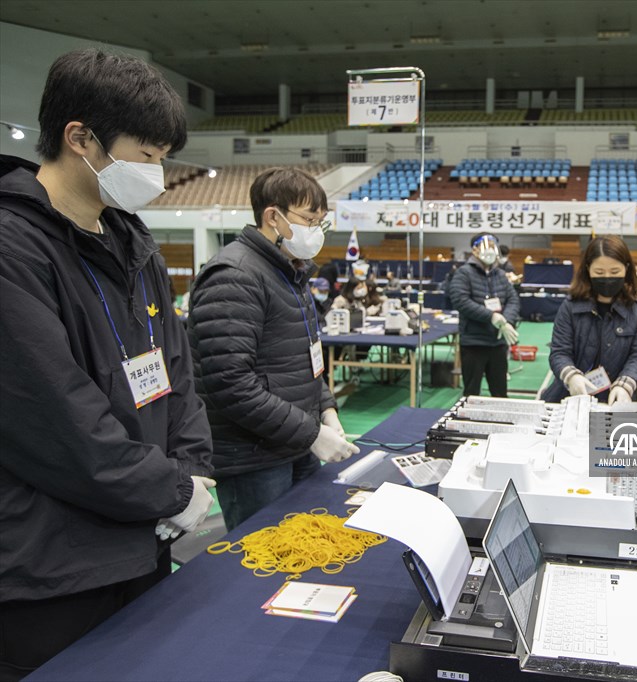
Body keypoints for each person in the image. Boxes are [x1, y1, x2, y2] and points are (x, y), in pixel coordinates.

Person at [0, 49, 215, 679]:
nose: (159, 171)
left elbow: (177, 377)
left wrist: (193, 475)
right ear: (80, 138)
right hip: (54, 572)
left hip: (145, 542)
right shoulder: (14, 249)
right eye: (146, 154)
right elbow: (60, 420)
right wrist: (172, 490)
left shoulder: (133, 243)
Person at [188, 167, 358, 531]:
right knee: (263, 565)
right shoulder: (235, 275)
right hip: (254, 457)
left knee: (307, 547)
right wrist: (311, 433)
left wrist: (326, 408)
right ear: (273, 216)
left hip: (294, 442)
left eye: (320, 222)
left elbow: (303, 358)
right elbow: (231, 384)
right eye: (309, 219)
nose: (316, 231)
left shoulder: (291, 272)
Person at [541, 236, 637, 405]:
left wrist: (624, 385)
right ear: (588, 269)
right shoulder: (570, 307)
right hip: (568, 397)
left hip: (614, 400)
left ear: (627, 268)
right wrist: (572, 377)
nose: (607, 278)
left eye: (615, 272)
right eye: (599, 273)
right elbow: (559, 352)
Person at [448, 233, 520, 397]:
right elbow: (461, 301)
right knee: (472, 393)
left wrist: (505, 321)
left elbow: (513, 299)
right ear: (474, 250)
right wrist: (491, 316)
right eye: (486, 247)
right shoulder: (464, 273)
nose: (491, 251)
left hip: (497, 343)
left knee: (500, 391)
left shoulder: (500, 274)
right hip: (474, 343)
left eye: (493, 247)